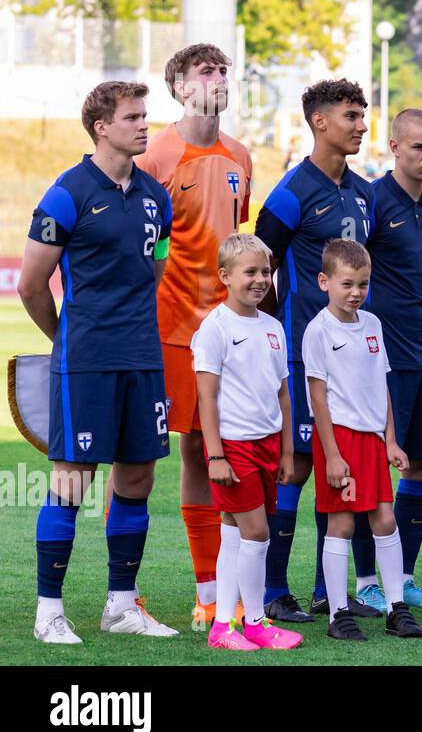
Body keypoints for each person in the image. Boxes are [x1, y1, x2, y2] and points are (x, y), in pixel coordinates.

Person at [24, 81, 178, 643]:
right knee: (72, 481)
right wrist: (67, 338)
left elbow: (155, 268)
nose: (144, 125)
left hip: (142, 356)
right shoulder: (67, 193)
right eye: (133, 117)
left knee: (137, 476)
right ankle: (49, 612)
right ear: (101, 127)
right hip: (86, 360)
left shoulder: (156, 197)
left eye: (145, 115)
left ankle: (120, 606)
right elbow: (31, 283)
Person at [136, 43, 254, 626]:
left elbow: (237, 240)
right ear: (179, 87)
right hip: (172, 327)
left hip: (229, 330)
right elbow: (147, 244)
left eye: (223, 71)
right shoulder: (156, 155)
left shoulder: (241, 155)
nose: (218, 79)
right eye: (205, 72)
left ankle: (211, 592)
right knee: (150, 453)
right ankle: (122, 591)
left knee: (218, 450)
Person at [255, 79, 376, 623]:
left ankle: (329, 591)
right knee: (299, 466)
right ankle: (273, 590)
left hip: (352, 356)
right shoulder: (290, 192)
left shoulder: (364, 193)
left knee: (342, 463)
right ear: (319, 122)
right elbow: (261, 265)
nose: (360, 125)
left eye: (363, 115)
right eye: (351, 115)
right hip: (304, 353)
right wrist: (284, 328)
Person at [356, 108, 422, 611]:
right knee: (371, 466)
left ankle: (405, 576)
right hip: (382, 357)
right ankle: (365, 582)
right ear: (394, 146)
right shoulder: (372, 200)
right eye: (418, 146)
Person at [304, 239, 422, 640]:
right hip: (339, 440)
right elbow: (317, 398)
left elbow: (381, 385)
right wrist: (333, 455)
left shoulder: (372, 324)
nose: (356, 293)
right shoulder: (317, 331)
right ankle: (338, 613)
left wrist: (391, 440)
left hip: (373, 440)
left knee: (385, 520)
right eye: (347, 284)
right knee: (340, 524)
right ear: (325, 282)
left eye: (363, 284)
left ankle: (396, 608)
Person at [192, 234, 302, 651]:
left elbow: (283, 393)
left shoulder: (272, 327)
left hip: (268, 443)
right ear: (225, 276)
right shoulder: (215, 329)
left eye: (265, 272)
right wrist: (215, 455)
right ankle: (254, 623)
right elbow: (207, 397)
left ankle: (222, 625)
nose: (260, 280)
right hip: (233, 447)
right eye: (250, 272)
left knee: (234, 533)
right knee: (258, 533)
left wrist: (287, 451)